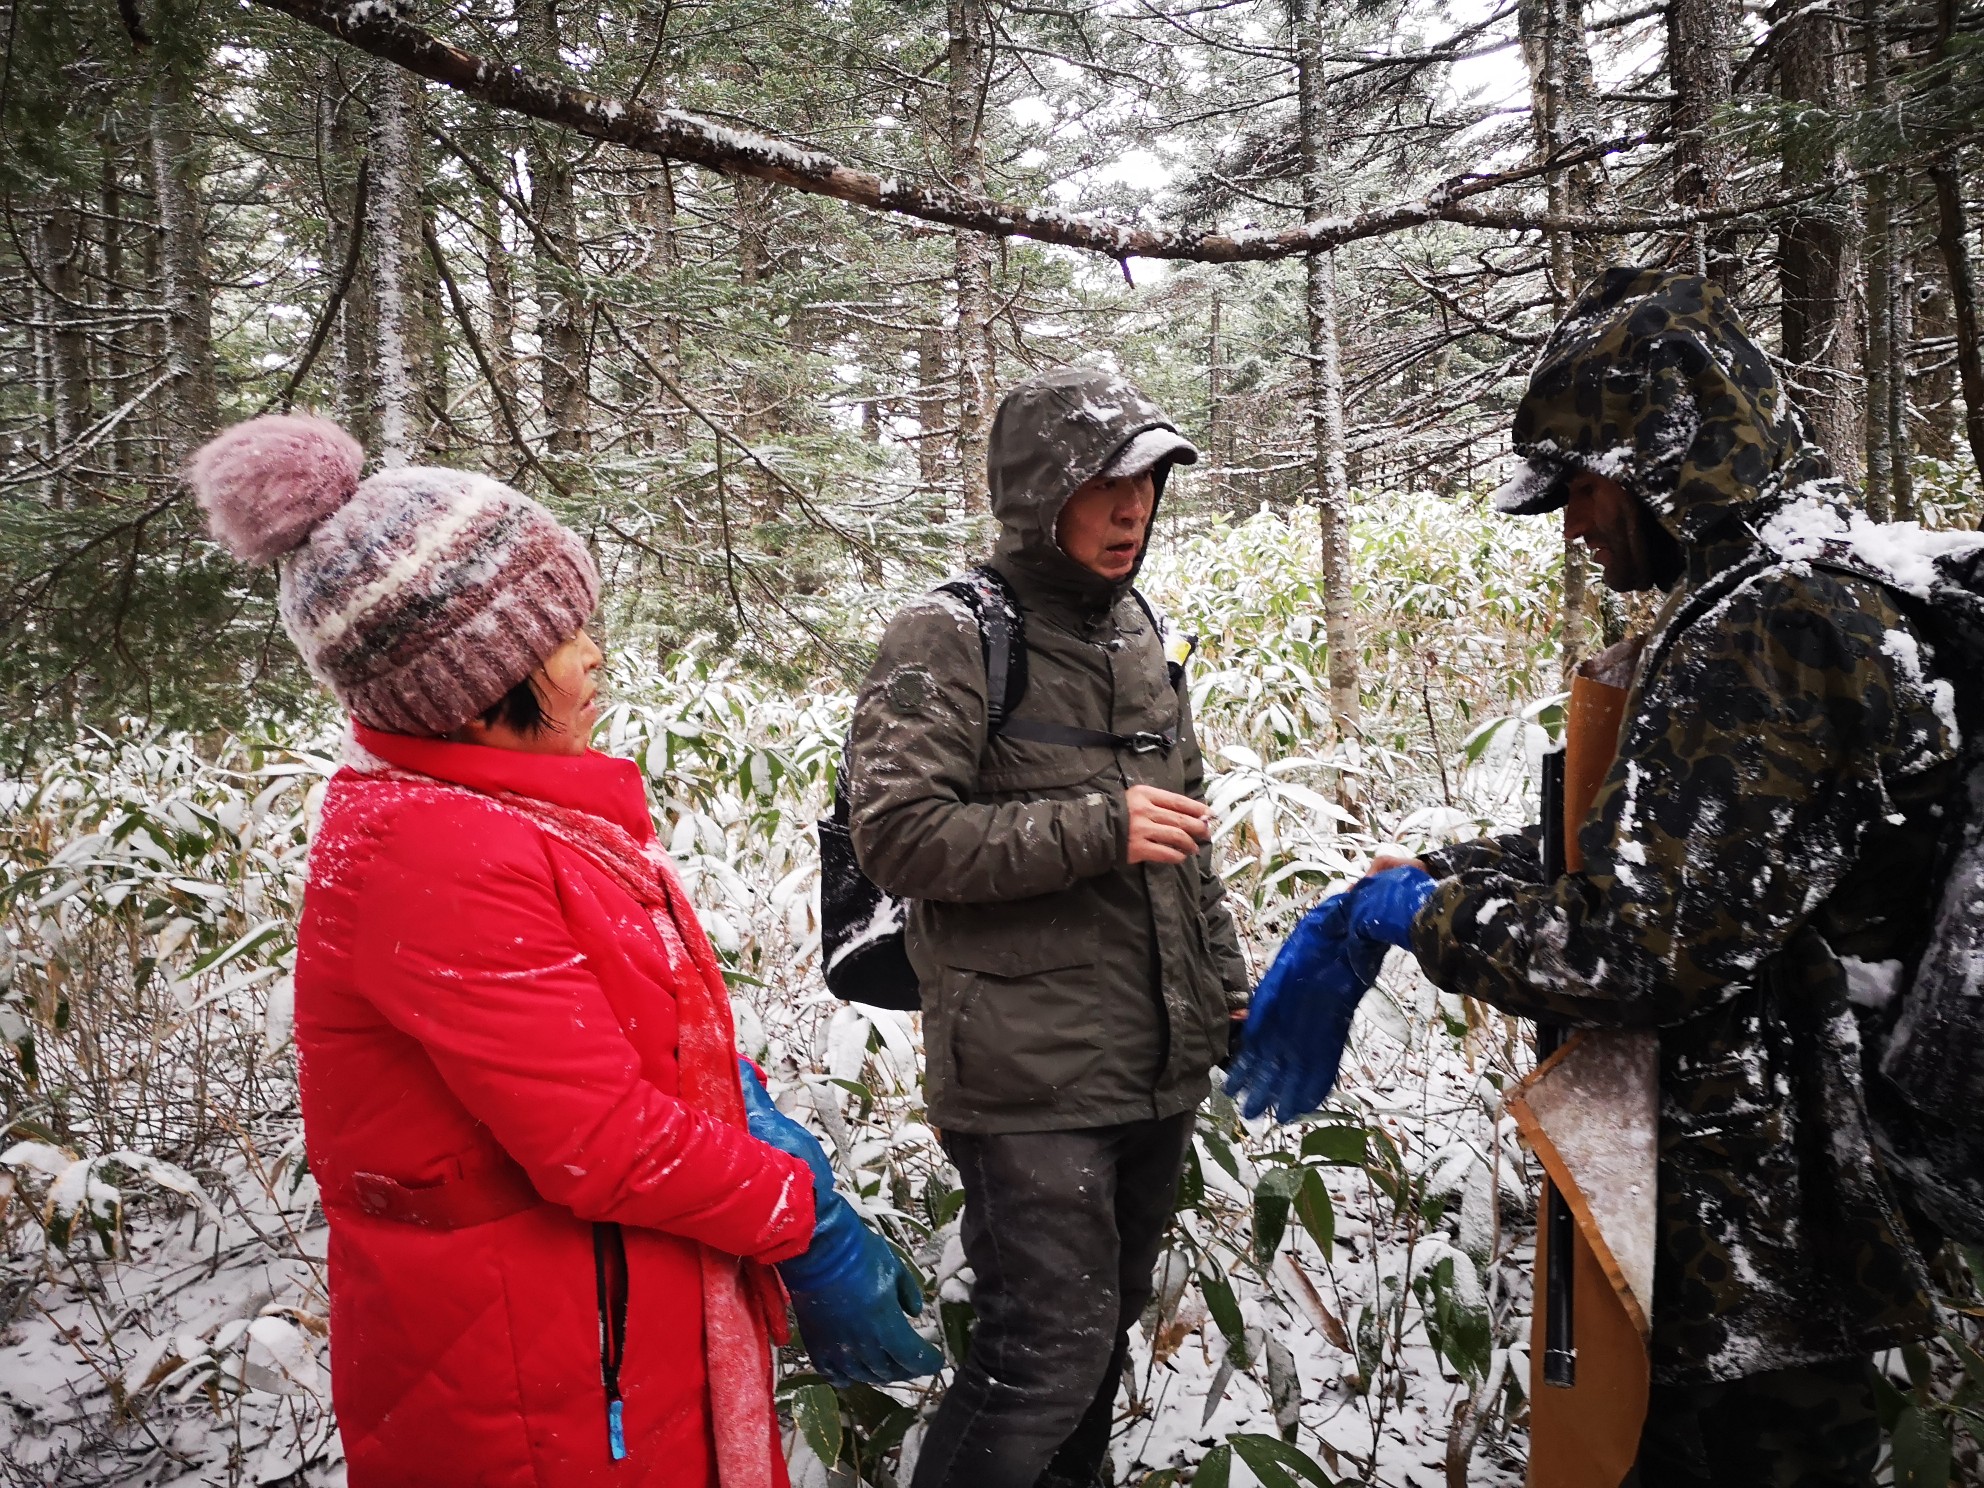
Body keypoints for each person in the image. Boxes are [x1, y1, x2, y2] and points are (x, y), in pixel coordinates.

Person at [1230, 268, 1953, 1486]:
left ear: (1665, 454)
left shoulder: (1775, 626)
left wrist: (1423, 916)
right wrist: (1417, 881)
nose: (1573, 524)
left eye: (1581, 487)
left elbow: (1637, 950)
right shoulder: (1768, 598)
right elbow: (1638, 850)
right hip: (1753, 1214)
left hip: (1771, 1232)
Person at [186, 413, 938, 1488]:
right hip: (541, 1382)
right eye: (558, 632)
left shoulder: (512, 818)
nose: (591, 654)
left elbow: (615, 1043)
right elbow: (601, 1139)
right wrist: (800, 1220)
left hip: (594, 1333)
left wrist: (739, 1102)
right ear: (472, 680)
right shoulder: (438, 852)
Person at [844, 368, 1252, 1488]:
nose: (1133, 511)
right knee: (1044, 1352)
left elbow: (1186, 836)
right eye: (1107, 484)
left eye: (1149, 484)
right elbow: (900, 836)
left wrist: (1225, 986)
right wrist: (1096, 827)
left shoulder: (1132, 627)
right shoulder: (949, 632)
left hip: (1148, 1057)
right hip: (1026, 1072)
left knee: (1096, 1333)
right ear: (1040, 494)